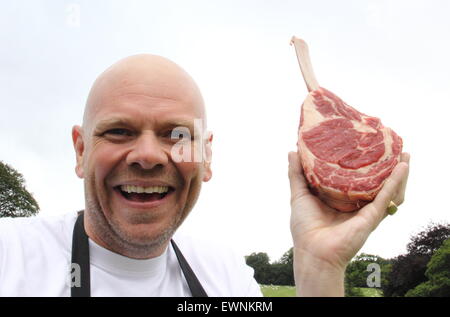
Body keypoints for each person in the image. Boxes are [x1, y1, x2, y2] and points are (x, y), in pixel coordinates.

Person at [0, 54, 410, 297]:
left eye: (177, 134)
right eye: (119, 131)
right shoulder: (10, 258)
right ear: (81, 150)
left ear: (206, 156)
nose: (147, 156)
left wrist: (321, 268)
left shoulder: (227, 278)